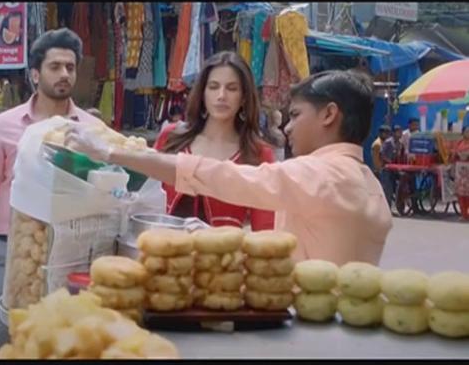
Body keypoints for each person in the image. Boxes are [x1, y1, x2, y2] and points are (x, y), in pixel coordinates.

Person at [65, 70, 393, 266]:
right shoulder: (368, 182)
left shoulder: (318, 174)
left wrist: (111, 151)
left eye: (295, 115)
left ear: (329, 115)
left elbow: (224, 177)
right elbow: (280, 243)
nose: (288, 127)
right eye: (213, 86)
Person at [0, 28, 98, 358]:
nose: (64, 74)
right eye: (55, 66)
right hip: (11, 252)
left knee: (65, 345)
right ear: (35, 74)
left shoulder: (91, 131)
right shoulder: (4, 126)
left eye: (70, 67)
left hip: (72, 254)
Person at [153, 51, 275, 231]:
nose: (221, 95)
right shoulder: (172, 137)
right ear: (202, 93)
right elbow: (148, 200)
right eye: (213, 87)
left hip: (224, 249)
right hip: (163, 245)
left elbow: (266, 230)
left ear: (243, 97)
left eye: (232, 88)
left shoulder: (257, 153)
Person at [379, 125, 404, 208]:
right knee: (388, 190)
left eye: (401, 132)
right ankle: (387, 208)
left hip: (395, 169)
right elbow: (382, 154)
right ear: (393, 133)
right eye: (398, 132)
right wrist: (389, 161)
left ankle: (400, 205)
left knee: (403, 182)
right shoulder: (388, 142)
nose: (400, 133)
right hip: (386, 169)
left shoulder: (400, 143)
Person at [451, 125, 469, 221]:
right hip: (459, 171)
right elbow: (453, 155)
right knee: (461, 194)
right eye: (467, 131)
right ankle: (463, 214)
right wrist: (458, 155)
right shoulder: (459, 143)